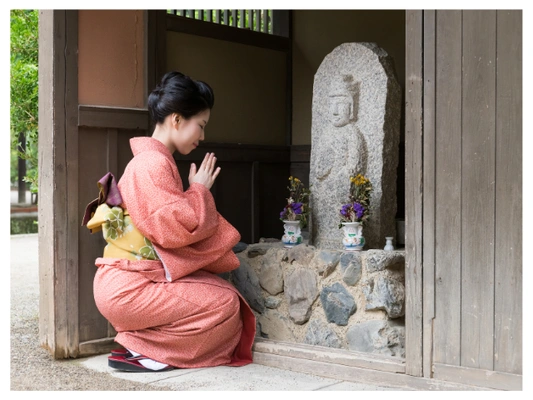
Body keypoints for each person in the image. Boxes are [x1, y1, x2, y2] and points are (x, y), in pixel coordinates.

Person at [85, 71, 255, 372]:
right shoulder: (152, 164)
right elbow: (176, 229)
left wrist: (194, 192)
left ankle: (137, 345)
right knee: (224, 304)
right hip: (129, 289)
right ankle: (147, 354)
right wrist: (200, 190)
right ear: (177, 120)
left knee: (223, 294)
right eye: (200, 126)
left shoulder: (152, 162)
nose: (202, 136)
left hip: (128, 282)